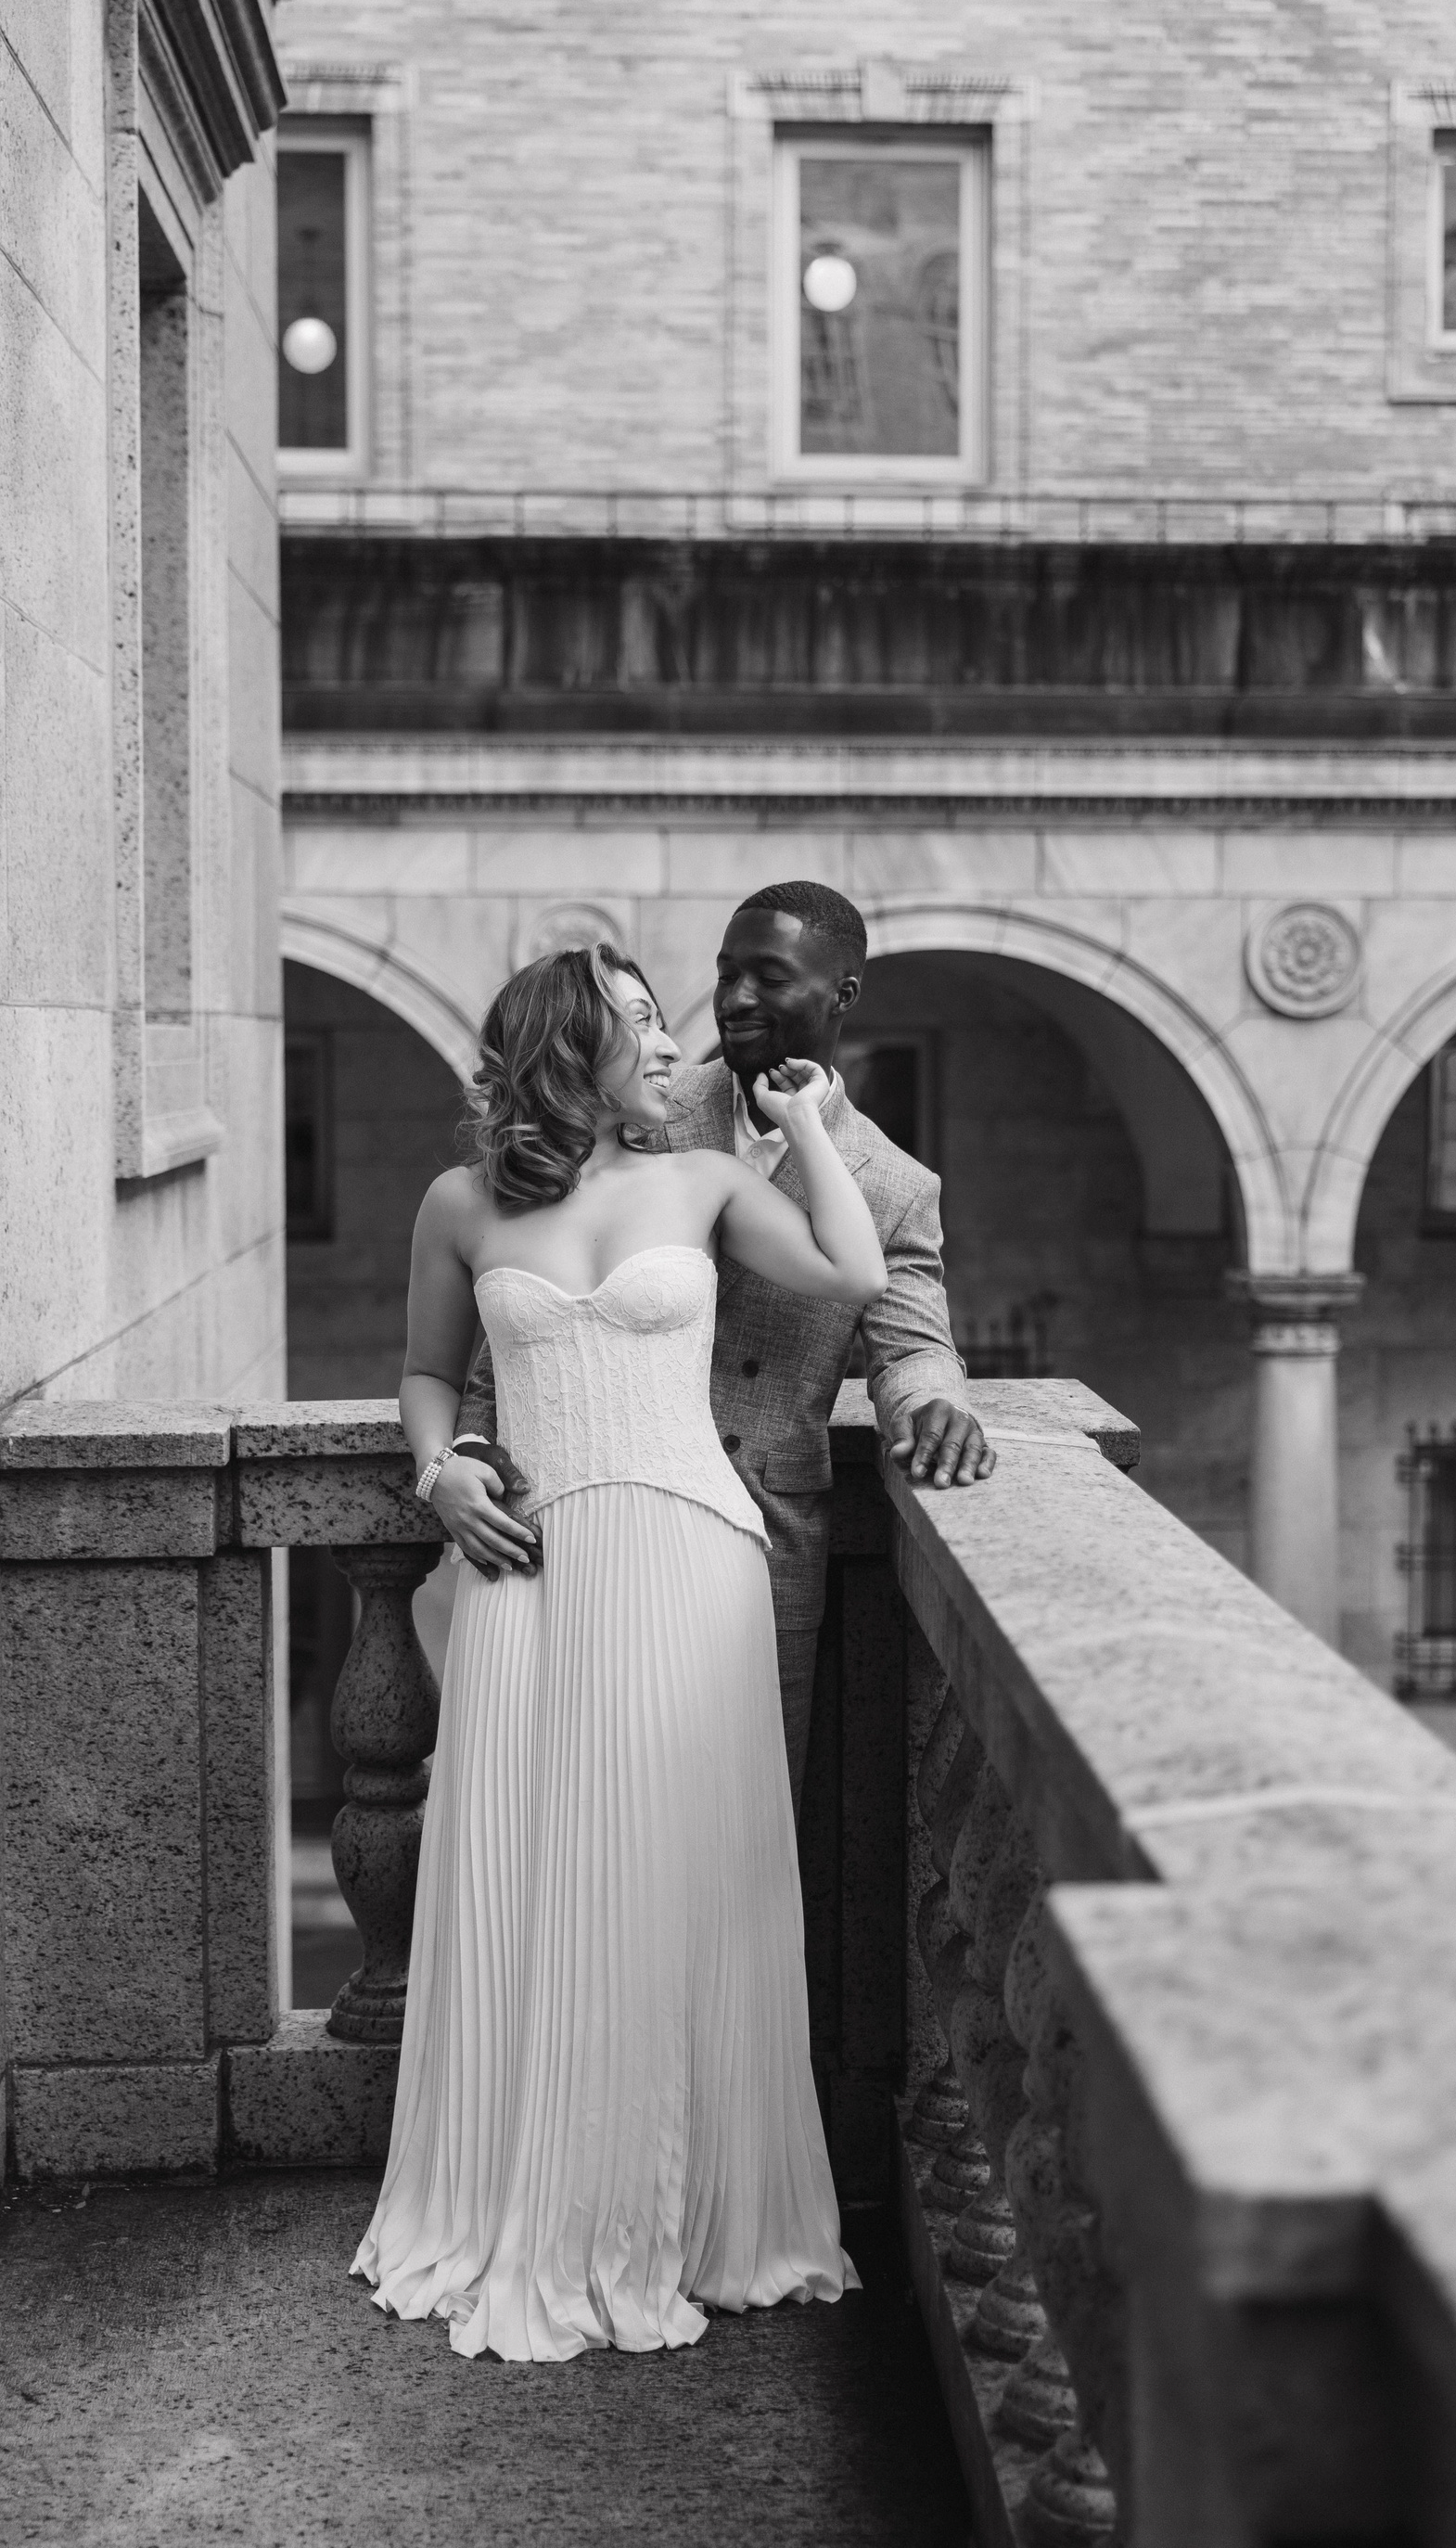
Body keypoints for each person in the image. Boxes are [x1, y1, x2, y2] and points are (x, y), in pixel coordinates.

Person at [352, 942, 887, 2362]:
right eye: (639, 1021)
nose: (668, 1042)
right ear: (565, 1041)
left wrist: (806, 1123)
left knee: (677, 1878)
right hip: (526, 1572)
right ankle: (527, 2194)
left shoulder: (704, 1182)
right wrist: (439, 1471)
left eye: (663, 1021)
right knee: (527, 1872)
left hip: (690, 1561)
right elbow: (427, 1371)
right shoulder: (460, 1202)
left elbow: (853, 1269)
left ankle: (693, 2215)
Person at [450, 880, 995, 1804]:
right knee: (556, 1800)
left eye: (768, 977)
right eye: (725, 972)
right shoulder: (638, 1104)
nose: (734, 999)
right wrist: (463, 1444)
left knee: (729, 1821)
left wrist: (935, 1403)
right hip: (568, 1524)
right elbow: (522, 1299)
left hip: (762, 1541)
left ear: (843, 995)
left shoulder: (894, 1184)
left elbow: (909, 1340)